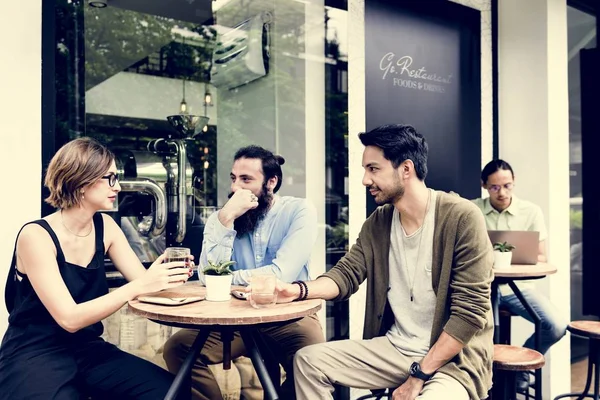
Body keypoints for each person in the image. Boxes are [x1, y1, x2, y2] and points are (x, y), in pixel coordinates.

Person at [276, 124, 494, 400]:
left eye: (373, 169)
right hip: (396, 348)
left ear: (406, 168)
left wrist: (418, 377)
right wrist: (296, 290)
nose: (365, 180)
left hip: (452, 361)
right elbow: (347, 273)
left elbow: (468, 315)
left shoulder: (462, 217)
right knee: (308, 361)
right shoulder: (379, 221)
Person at [0, 137, 192, 400]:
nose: (119, 186)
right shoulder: (36, 236)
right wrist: (140, 286)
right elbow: (69, 319)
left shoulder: (106, 227)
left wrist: (167, 276)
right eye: (110, 178)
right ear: (81, 181)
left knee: (171, 391)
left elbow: (144, 285)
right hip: (35, 352)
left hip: (87, 349)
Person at [163, 145, 325, 400]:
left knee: (316, 362)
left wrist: (227, 280)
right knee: (177, 348)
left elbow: (279, 275)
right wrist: (226, 218)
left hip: (288, 315)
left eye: (246, 179)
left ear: (271, 182)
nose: (236, 188)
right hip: (235, 318)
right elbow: (207, 276)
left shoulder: (299, 211)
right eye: (233, 178)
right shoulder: (224, 217)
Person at [473, 159, 567, 392]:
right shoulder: (472, 209)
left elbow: (542, 257)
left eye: (507, 185)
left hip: (518, 289)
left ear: (514, 182)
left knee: (556, 325)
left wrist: (508, 257)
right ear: (484, 185)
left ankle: (519, 372)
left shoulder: (531, 211)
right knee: (480, 333)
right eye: (495, 187)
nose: (502, 193)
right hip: (482, 290)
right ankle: (486, 387)